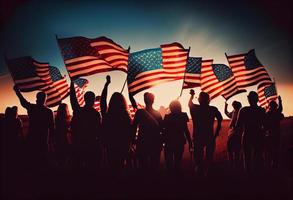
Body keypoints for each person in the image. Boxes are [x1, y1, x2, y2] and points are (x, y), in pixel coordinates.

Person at [13, 85, 54, 168]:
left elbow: (23, 102)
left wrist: (17, 92)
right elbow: (52, 128)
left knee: (32, 162)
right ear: (45, 100)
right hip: (42, 140)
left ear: (37, 99)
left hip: (33, 138)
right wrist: (51, 142)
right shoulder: (49, 112)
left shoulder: (32, 108)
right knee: (41, 163)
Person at [100, 75, 132, 171]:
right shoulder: (126, 117)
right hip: (123, 146)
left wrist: (106, 85)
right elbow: (129, 133)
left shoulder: (108, 116)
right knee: (121, 167)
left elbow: (102, 102)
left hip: (111, 145)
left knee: (112, 166)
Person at [189, 90, 222, 175]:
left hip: (198, 136)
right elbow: (220, 119)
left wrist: (192, 95)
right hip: (209, 136)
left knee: (198, 160)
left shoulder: (195, 108)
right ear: (208, 99)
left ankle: (200, 176)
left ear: (199, 99)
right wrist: (217, 131)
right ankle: (207, 176)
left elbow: (189, 103)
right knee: (209, 158)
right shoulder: (212, 109)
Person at [70, 81, 102, 170]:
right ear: (93, 100)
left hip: (78, 144)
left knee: (78, 168)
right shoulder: (96, 114)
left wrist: (72, 83)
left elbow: (73, 99)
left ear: (85, 99)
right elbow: (99, 131)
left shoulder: (78, 111)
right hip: (91, 145)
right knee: (90, 169)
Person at [132, 92, 163, 171]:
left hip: (142, 142)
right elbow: (161, 129)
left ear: (144, 100)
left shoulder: (139, 113)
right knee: (154, 166)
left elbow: (134, 127)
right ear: (153, 101)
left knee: (143, 167)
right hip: (155, 142)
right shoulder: (157, 114)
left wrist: (132, 140)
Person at [236, 91, 266, 172]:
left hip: (247, 135)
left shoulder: (244, 110)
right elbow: (266, 125)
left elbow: (238, 125)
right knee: (258, 157)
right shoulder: (261, 110)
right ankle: (258, 176)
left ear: (249, 99)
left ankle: (249, 176)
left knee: (247, 158)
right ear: (257, 99)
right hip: (258, 136)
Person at [163, 100, 192, 172]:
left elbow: (165, 130)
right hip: (179, 141)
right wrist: (190, 143)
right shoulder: (183, 115)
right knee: (177, 162)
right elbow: (186, 130)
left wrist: (163, 141)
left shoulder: (167, 117)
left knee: (169, 163)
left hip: (169, 141)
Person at [264, 96, 284, 168]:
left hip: (270, 134)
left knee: (270, 150)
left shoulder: (268, 114)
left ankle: (271, 163)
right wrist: (280, 101)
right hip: (276, 134)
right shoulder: (277, 113)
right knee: (275, 149)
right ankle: (275, 163)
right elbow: (280, 109)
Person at [224, 101, 242, 168]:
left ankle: (233, 166)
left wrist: (225, 106)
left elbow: (227, 113)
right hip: (235, 135)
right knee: (236, 152)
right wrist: (225, 106)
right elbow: (227, 113)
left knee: (232, 152)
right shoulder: (234, 112)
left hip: (235, 135)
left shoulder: (237, 113)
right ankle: (235, 166)